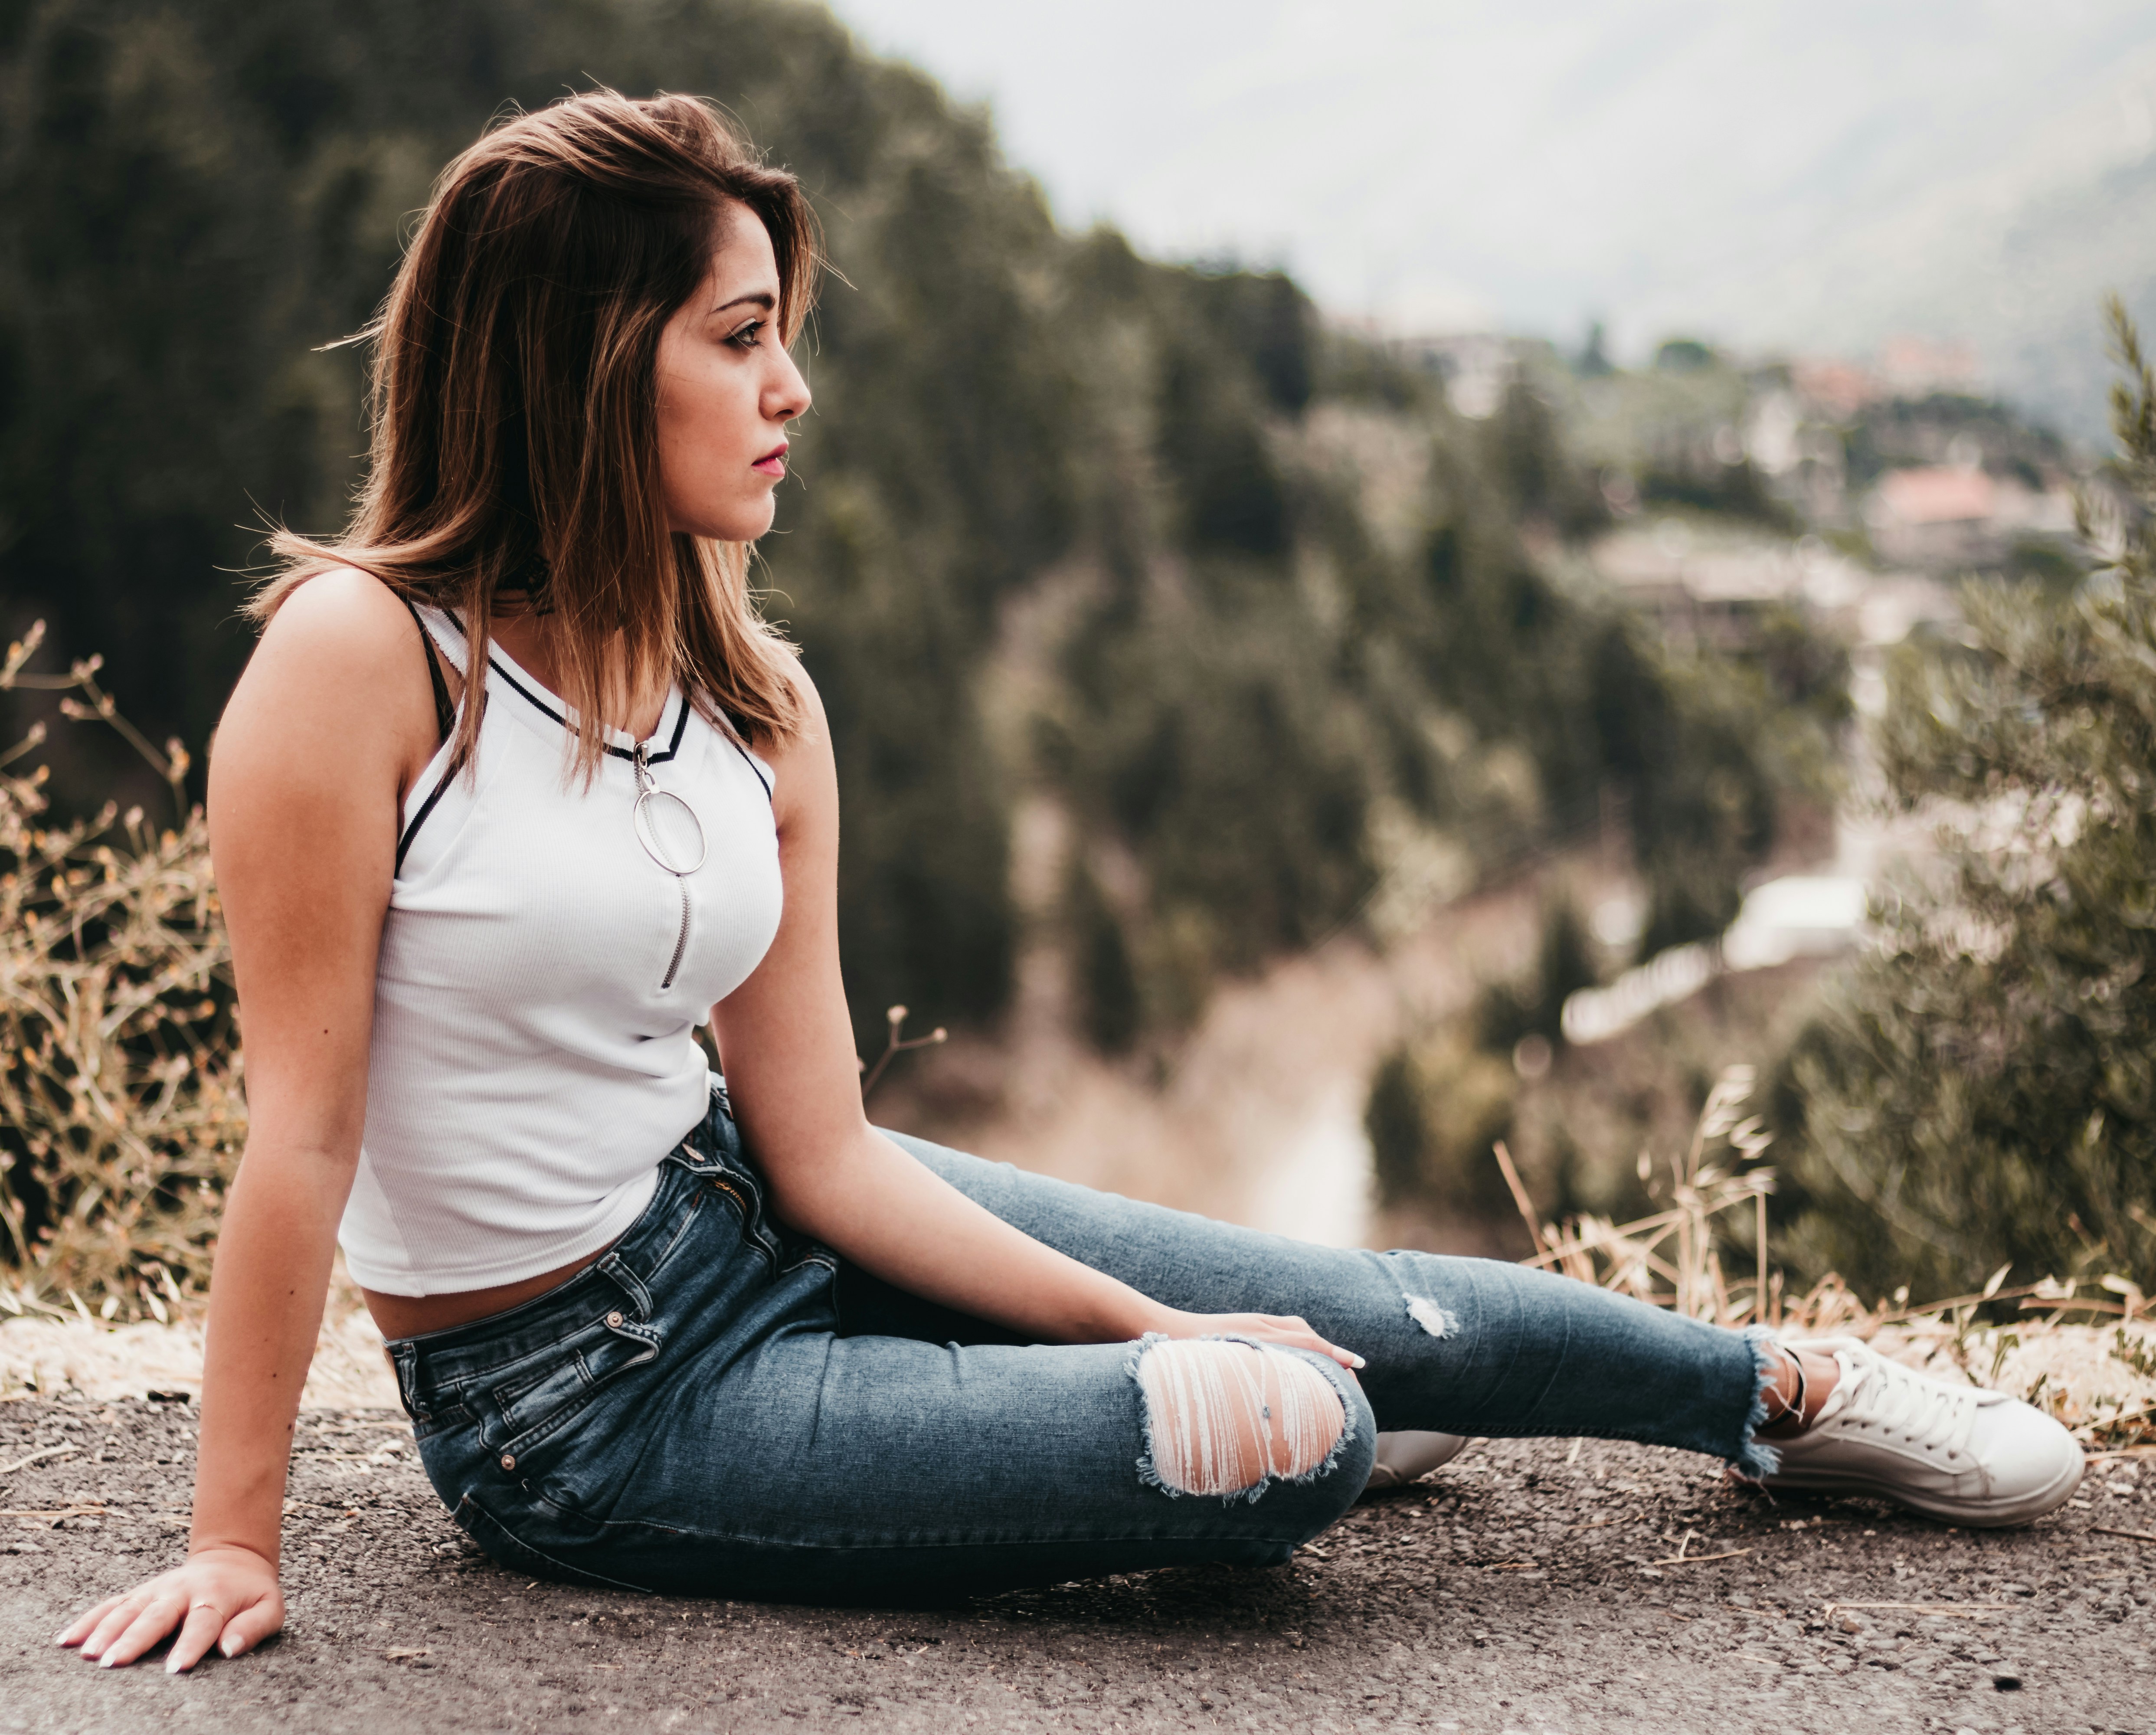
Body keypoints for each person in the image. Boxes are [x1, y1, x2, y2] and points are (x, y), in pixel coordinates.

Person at [56, 91, 2083, 1674]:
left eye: (791, 337)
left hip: (751, 1215)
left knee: (1338, 1320)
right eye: (743, 338)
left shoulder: (751, 696)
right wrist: (238, 1536)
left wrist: (1159, 1314)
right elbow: (301, 1136)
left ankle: (1780, 1394)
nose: (795, 392)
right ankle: (1336, 1415)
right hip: (574, 1408)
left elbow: (828, 1154)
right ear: (588, 363)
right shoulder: (358, 661)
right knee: (1276, 1442)